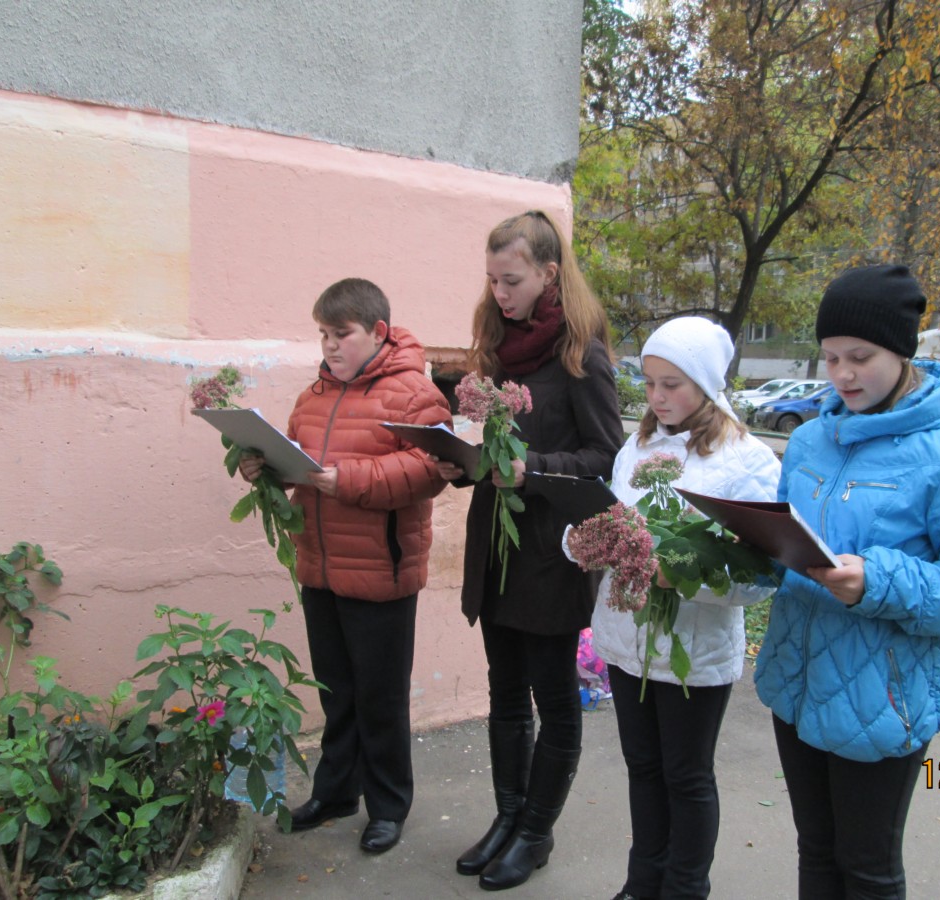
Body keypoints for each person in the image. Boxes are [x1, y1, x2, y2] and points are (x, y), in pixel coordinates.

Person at [752, 264, 940, 899]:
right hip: (798, 678)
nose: (842, 374)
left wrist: (879, 581)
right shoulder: (811, 439)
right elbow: (783, 532)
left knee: (866, 868)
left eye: (860, 357)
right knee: (815, 851)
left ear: (903, 350)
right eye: (831, 357)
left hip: (885, 699)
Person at [430, 210, 623, 892]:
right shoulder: (495, 343)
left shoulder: (581, 353)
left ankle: (536, 832)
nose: (500, 293)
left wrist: (530, 469)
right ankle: (507, 819)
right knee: (505, 694)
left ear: (549, 273)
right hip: (497, 545)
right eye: (491, 280)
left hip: (551, 550)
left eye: (510, 280)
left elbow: (607, 456)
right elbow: (483, 441)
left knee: (553, 699)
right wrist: (459, 457)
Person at [239, 277, 451, 855]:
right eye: (323, 335)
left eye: (342, 334)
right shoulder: (314, 395)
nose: (330, 346)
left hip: (381, 571)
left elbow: (432, 469)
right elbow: (300, 459)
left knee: (380, 699)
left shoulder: (414, 392)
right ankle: (336, 792)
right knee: (336, 692)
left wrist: (347, 481)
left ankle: (388, 807)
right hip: (320, 566)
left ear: (378, 333)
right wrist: (267, 467)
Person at [578, 317, 782, 900]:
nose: (658, 397)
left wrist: (684, 577)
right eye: (649, 382)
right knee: (643, 770)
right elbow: (608, 520)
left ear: (707, 383)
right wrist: (585, 542)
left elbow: (761, 575)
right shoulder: (637, 445)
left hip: (694, 649)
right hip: (626, 639)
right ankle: (643, 883)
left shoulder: (747, 461)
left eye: (673, 383)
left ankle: (685, 888)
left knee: (686, 777)